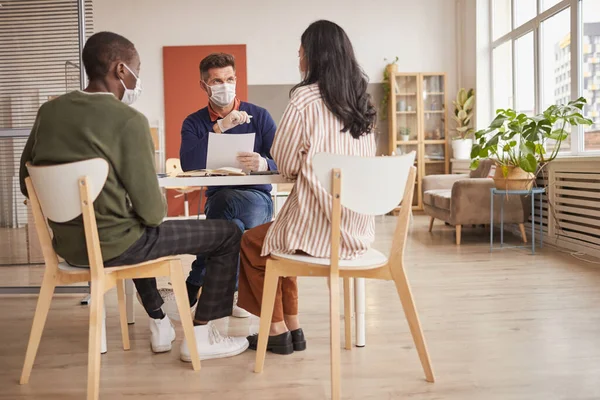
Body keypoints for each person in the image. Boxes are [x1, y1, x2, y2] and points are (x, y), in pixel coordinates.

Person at [19, 31, 249, 361]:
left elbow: (25, 179)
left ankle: (160, 321)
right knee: (229, 232)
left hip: (68, 246)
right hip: (119, 247)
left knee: (135, 229)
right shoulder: (129, 121)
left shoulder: (48, 112)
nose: (138, 78)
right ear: (121, 69)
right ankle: (201, 336)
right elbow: (154, 214)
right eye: (137, 69)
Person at [237, 20, 378, 355]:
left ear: (313, 56)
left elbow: (284, 162)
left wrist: (305, 160)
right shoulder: (362, 104)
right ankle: (293, 328)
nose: (298, 59)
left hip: (318, 229)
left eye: (301, 52)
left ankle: (276, 331)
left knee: (255, 244)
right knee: (276, 239)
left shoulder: (304, 98)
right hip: (357, 231)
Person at [179, 53, 277, 318]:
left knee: (226, 205)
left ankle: (196, 280)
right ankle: (234, 289)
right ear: (204, 86)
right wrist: (219, 128)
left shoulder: (259, 116)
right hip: (218, 199)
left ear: (236, 79)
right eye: (217, 80)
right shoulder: (195, 122)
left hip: (257, 199)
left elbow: (285, 159)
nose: (225, 85)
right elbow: (188, 164)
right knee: (231, 227)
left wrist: (264, 163)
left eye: (230, 79)